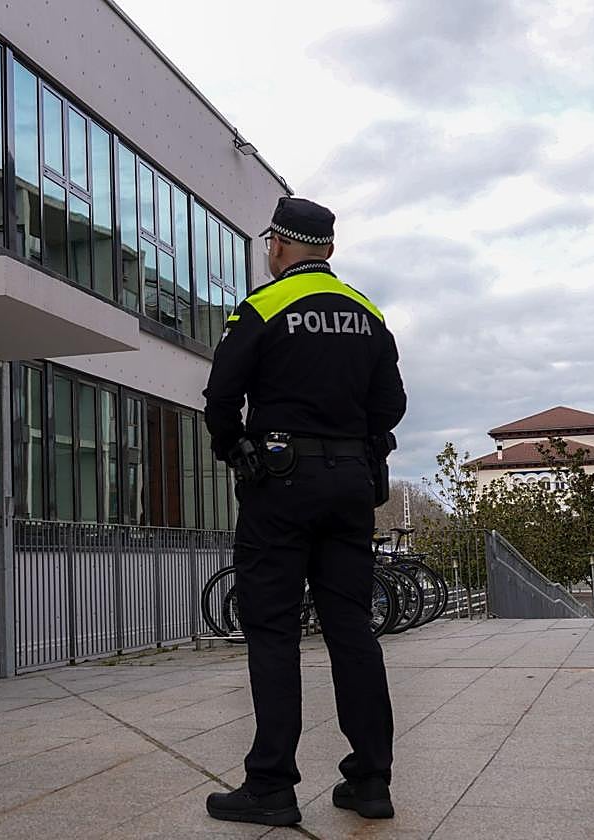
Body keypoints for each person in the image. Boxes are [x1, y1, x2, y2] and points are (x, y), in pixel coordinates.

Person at [202, 196, 406, 827]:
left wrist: (235, 448)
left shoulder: (262, 307)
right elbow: (391, 406)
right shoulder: (368, 313)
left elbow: (220, 397)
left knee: (273, 630)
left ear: (279, 247)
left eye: (271, 243)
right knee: (351, 628)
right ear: (330, 250)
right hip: (350, 485)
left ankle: (270, 785)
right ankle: (370, 780)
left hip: (280, 485)